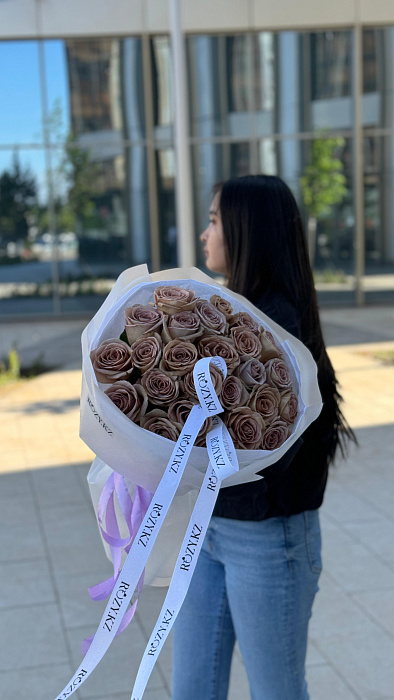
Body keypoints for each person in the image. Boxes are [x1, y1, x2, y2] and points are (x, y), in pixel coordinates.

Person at [172, 174, 355, 700]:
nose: (205, 234)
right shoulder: (231, 311)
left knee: (276, 691)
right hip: (208, 530)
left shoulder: (279, 325)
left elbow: (268, 450)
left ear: (246, 229)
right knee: (192, 687)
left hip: (267, 540)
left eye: (212, 221)